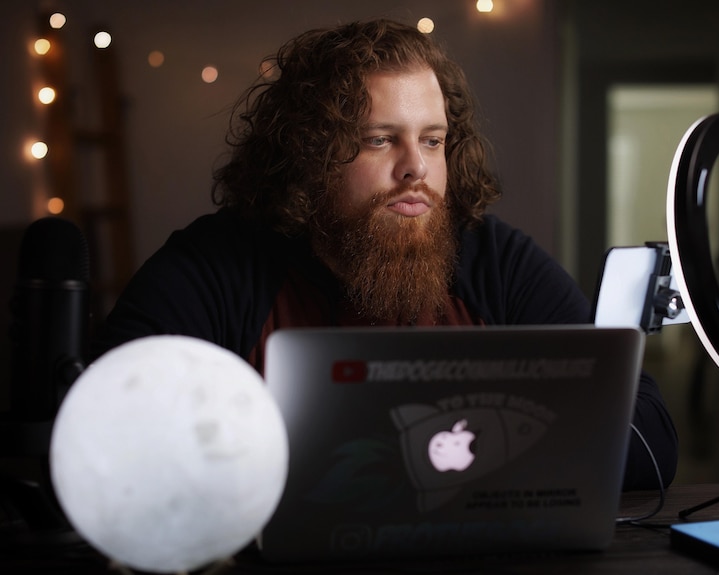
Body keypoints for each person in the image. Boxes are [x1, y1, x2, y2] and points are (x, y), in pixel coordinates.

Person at [92, 19, 677, 489]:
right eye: (379, 139)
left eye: (432, 141)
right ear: (308, 154)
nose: (416, 168)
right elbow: (109, 431)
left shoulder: (496, 263)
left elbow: (648, 437)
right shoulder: (215, 265)